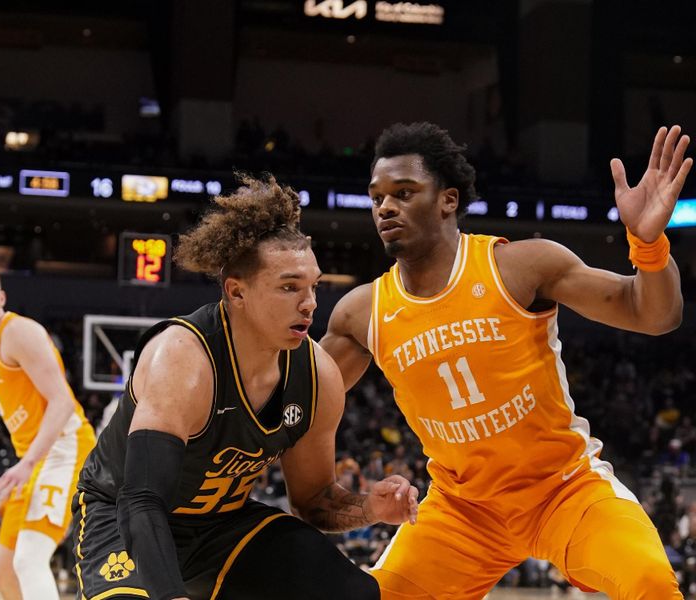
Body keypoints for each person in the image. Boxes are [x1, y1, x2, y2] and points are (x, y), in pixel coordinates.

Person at [320, 122, 692, 599]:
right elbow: (297, 402)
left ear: (448, 200)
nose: (385, 207)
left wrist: (649, 244)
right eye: (376, 198)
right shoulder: (361, 313)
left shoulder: (519, 267)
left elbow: (656, 315)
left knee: (650, 584)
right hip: (462, 510)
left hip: (564, 489)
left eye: (404, 192)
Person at [74, 174, 419, 600]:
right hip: (124, 517)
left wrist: (370, 507)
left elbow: (313, 502)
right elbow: (142, 500)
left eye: (314, 286)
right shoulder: (182, 360)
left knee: (352, 593)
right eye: (289, 287)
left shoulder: (317, 376)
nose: (310, 302)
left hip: (222, 526)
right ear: (237, 293)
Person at [0, 262, 96, 600]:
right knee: (4, 571)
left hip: (64, 448)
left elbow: (62, 402)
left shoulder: (18, 332)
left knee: (30, 560)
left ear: (1, 296)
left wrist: (29, 462)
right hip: (33, 459)